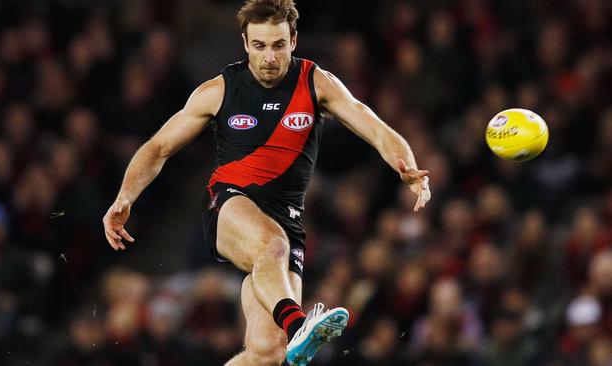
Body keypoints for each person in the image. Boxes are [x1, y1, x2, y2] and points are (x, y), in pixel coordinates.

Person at [102, 0, 431, 365]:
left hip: (286, 221)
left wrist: (408, 167)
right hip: (229, 201)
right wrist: (125, 196)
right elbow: (158, 147)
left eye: (278, 45)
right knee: (270, 247)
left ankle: (288, 331)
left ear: (293, 39)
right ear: (245, 43)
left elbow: (373, 126)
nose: (269, 57)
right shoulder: (219, 90)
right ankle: (298, 325)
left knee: (266, 355)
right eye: (259, 45)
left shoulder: (315, 82)